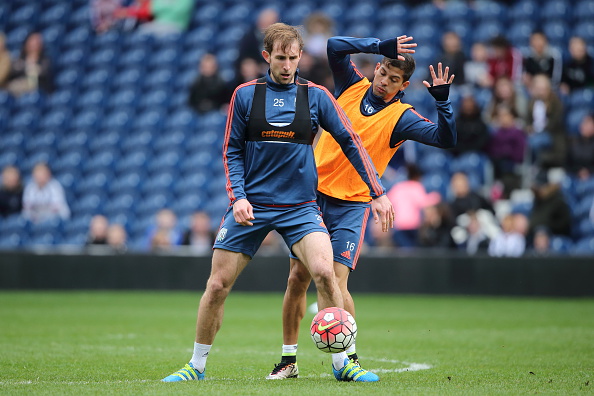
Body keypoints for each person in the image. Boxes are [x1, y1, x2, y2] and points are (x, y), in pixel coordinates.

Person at [162, 23, 394, 383]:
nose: (287, 65)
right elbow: (231, 152)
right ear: (267, 57)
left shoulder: (316, 96)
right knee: (217, 285)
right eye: (280, 58)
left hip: (301, 207)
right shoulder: (244, 95)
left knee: (325, 274)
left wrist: (377, 192)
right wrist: (237, 197)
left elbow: (350, 141)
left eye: (293, 58)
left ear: (301, 56)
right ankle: (196, 365)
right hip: (252, 205)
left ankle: (344, 363)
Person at [269, 34, 456, 381]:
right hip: (310, 196)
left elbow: (446, 139)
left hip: (352, 205)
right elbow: (334, 46)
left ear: (405, 85)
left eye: (393, 79)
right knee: (297, 278)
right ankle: (288, 361)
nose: (384, 81)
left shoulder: (403, 117)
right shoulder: (351, 85)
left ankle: (346, 363)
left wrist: (443, 103)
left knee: (335, 283)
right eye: (383, 72)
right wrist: (379, 45)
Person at [387, 164, 442, 248]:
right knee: (411, 252)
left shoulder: (397, 187)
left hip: (399, 226)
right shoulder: (416, 186)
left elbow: (387, 202)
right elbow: (424, 202)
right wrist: (436, 196)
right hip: (413, 226)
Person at [524, 73, 566, 169]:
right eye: (538, 89)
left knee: (534, 142)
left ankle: (533, 166)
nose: (541, 92)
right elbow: (527, 120)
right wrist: (528, 128)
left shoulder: (555, 103)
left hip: (550, 134)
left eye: (543, 89)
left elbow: (555, 123)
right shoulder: (531, 102)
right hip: (534, 132)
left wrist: (547, 112)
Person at [487, 105, 526, 199]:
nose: (502, 118)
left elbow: (520, 153)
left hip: (513, 164)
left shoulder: (517, 133)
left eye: (505, 115)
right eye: (500, 116)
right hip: (498, 165)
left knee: (508, 176)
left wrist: (506, 152)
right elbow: (492, 150)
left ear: (512, 116)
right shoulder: (496, 134)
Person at [6, 32, 53, 96]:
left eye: (37, 43)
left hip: (38, 92)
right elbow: (13, 72)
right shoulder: (19, 60)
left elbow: (45, 75)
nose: (34, 45)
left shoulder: (45, 61)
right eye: (32, 42)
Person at [565, 112, 594, 181]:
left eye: (587, 123)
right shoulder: (574, 142)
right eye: (583, 122)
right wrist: (578, 171)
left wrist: (589, 171)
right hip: (575, 177)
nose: (583, 125)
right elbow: (567, 164)